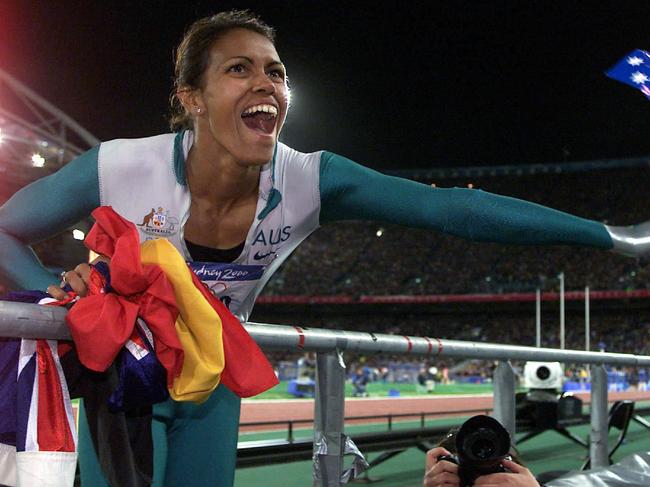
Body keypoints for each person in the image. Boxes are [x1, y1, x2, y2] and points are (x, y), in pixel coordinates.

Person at [1, 9, 650, 487]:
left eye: (275, 71)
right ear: (191, 98)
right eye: (239, 69)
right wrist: (51, 299)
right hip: (126, 383)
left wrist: (610, 237)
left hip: (217, 380)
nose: (266, 84)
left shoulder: (312, 178)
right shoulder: (120, 167)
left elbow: (449, 207)